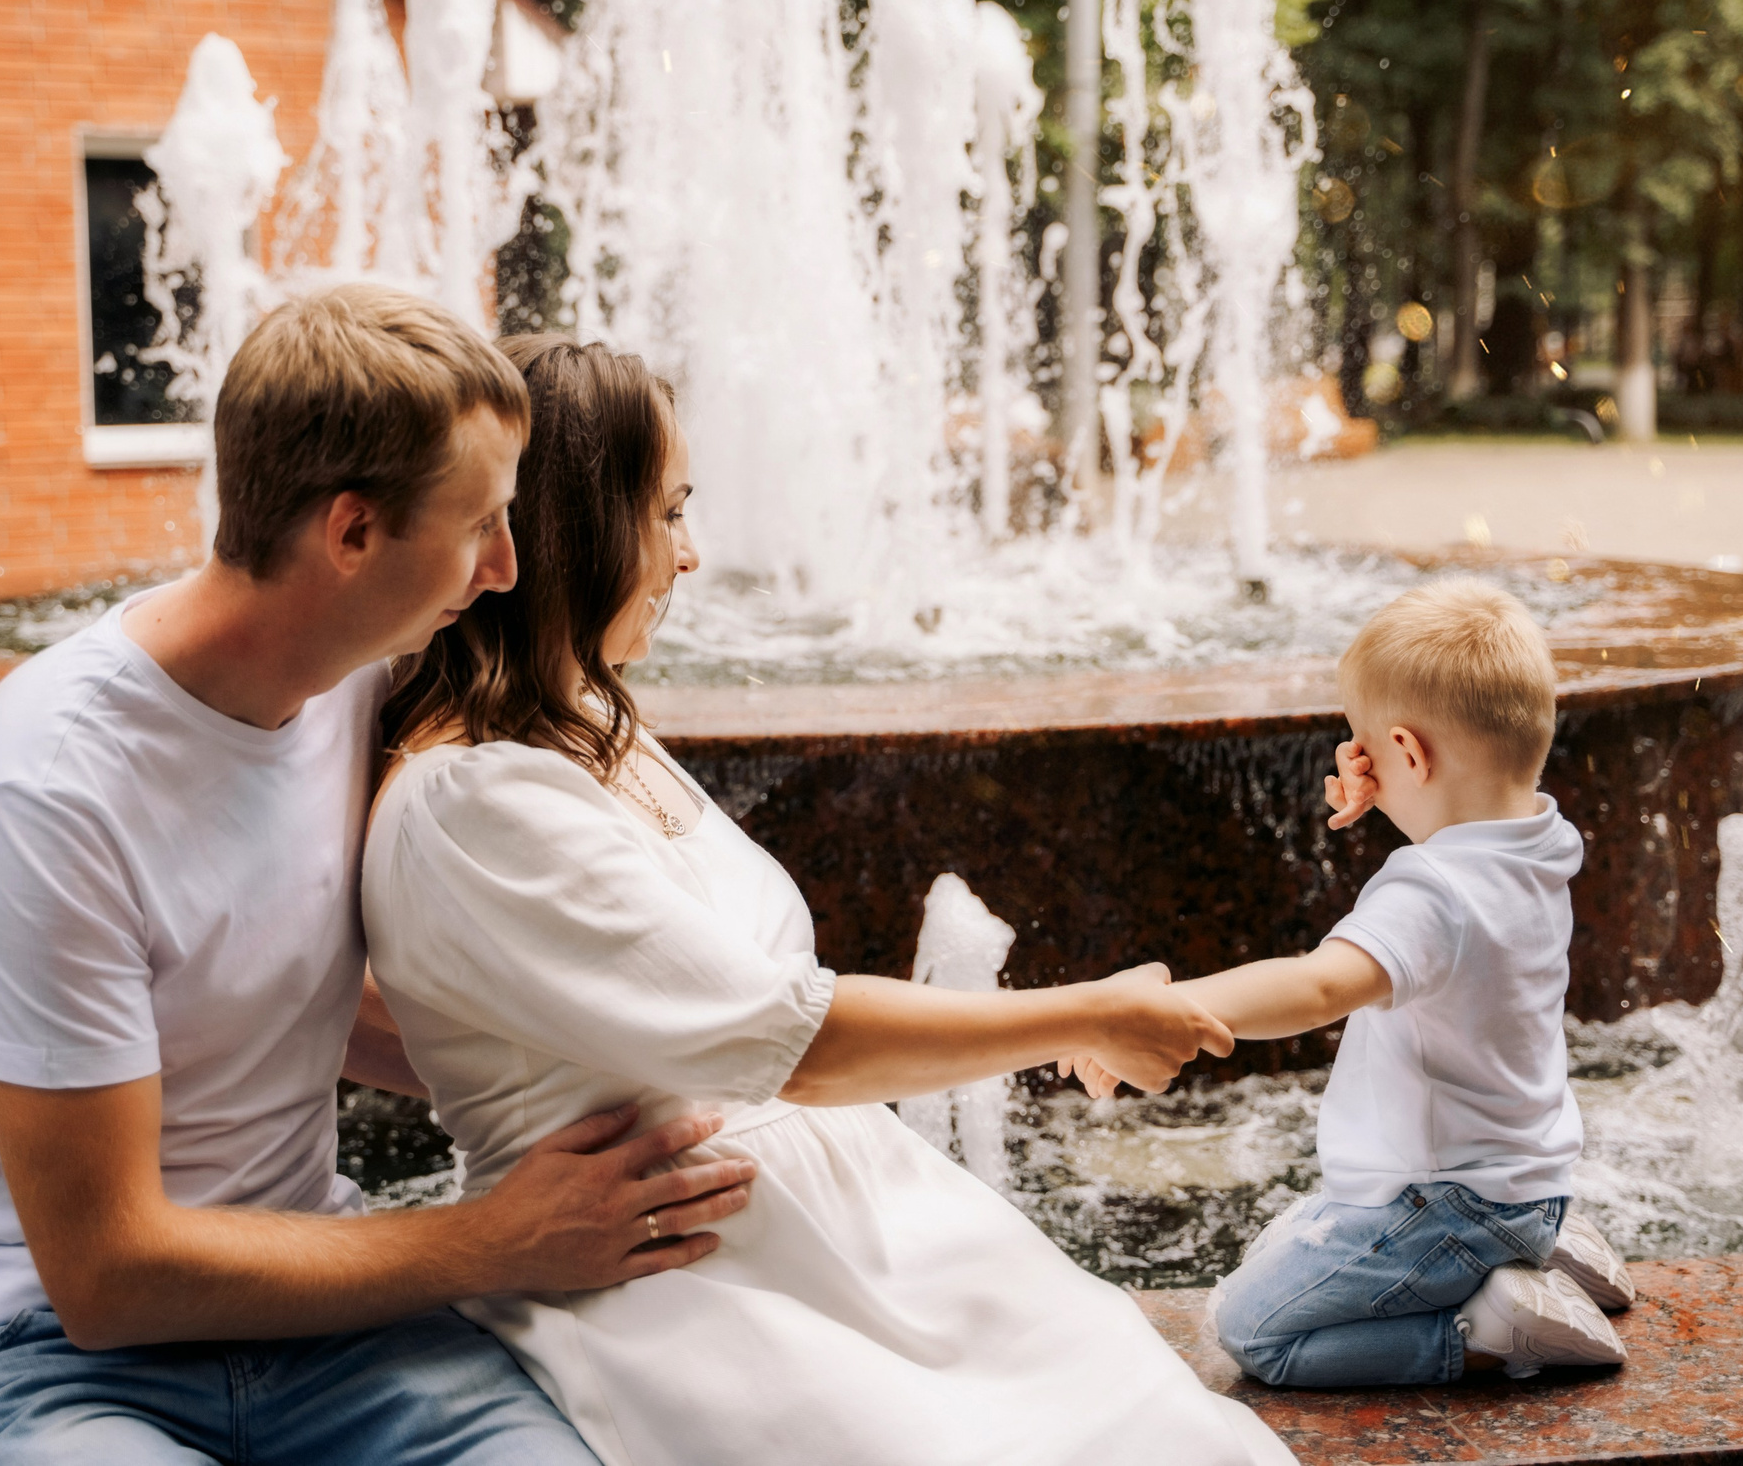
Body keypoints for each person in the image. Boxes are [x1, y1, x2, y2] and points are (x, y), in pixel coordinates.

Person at [360, 336, 1295, 1466]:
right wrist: (1086, 1014)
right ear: (578, 525)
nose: (690, 555)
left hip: (859, 1235)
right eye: (667, 513)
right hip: (689, 1280)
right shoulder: (474, 799)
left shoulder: (593, 723)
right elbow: (789, 1039)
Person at [0, 287, 759, 1465]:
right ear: (350, 533)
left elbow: (265, 985)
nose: (505, 568)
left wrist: (615, 1089)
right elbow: (107, 1276)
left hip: (331, 1325)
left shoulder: (358, 683)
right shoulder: (49, 790)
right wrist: (499, 1240)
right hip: (46, 1355)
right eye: (478, 527)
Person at [1156, 579, 1635, 1387]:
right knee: (1283, 1238)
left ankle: (1486, 1329)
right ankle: (1546, 1250)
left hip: (1447, 1205)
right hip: (1524, 1186)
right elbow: (1459, 841)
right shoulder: (1541, 837)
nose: (1357, 761)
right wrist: (1398, 789)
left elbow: (1315, 988)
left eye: (1365, 745)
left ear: (1408, 753)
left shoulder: (1430, 892)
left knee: (1251, 1328)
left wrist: (1170, 1005)